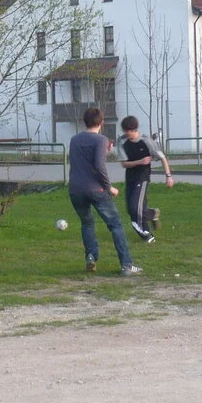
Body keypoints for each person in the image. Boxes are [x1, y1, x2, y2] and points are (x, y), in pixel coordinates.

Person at [67, 107, 142, 276]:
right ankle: (126, 265)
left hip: (75, 189)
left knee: (87, 223)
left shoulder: (74, 140)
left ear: (84, 122)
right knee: (115, 224)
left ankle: (91, 257)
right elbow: (99, 166)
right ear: (101, 122)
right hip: (96, 189)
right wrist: (110, 188)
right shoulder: (100, 140)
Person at [118, 115, 174, 242]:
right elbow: (124, 163)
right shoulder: (121, 141)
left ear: (134, 129)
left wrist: (168, 176)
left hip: (142, 177)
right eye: (124, 131)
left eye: (128, 131)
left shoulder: (147, 141)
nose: (126, 134)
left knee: (135, 208)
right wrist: (140, 161)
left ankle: (147, 236)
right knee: (131, 209)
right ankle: (153, 214)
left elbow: (162, 158)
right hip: (130, 176)